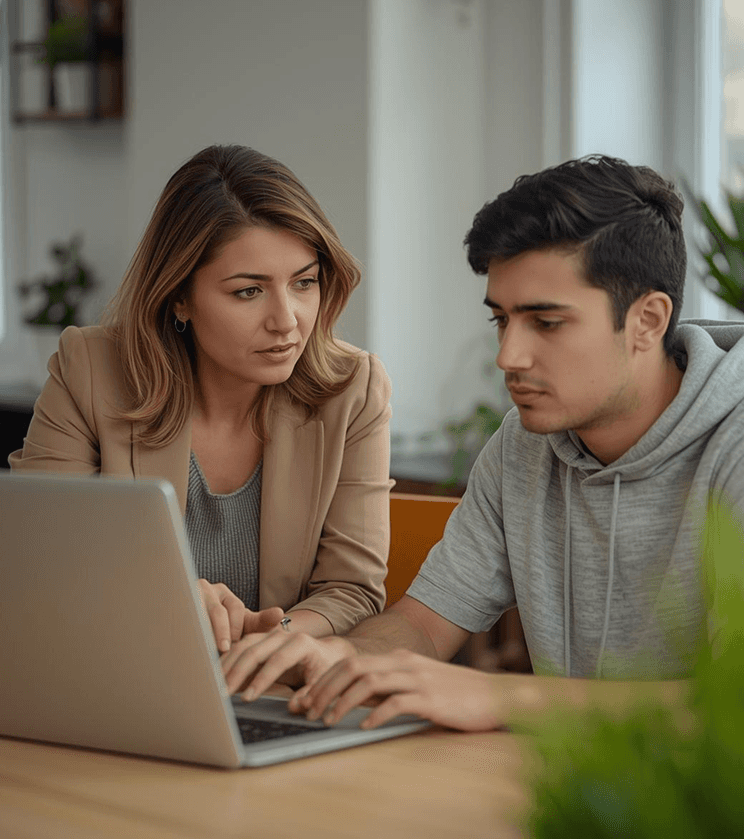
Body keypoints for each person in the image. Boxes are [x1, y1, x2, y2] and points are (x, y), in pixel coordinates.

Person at [217, 154, 744, 729]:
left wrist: (500, 698)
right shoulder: (524, 445)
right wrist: (338, 657)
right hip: (574, 792)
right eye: (502, 320)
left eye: (546, 323)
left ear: (647, 320)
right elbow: (422, 626)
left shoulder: (733, 446)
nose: (508, 357)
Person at [10, 144, 393, 651]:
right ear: (179, 296)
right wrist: (170, 601)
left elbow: (351, 589)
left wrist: (263, 640)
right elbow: (40, 557)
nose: (287, 320)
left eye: (304, 283)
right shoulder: (90, 370)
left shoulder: (353, 389)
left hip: (272, 687)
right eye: (248, 291)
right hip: (122, 674)